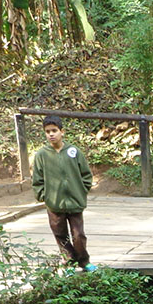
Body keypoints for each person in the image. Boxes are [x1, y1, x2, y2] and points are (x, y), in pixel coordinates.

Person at [31, 115, 96, 272]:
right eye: (47, 131)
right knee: (61, 235)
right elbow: (37, 178)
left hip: (75, 202)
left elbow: (86, 174)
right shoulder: (42, 155)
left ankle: (84, 261)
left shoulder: (73, 152)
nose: (51, 134)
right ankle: (69, 263)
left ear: (62, 132)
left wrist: (81, 190)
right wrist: (44, 196)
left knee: (78, 234)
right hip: (54, 203)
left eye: (54, 130)